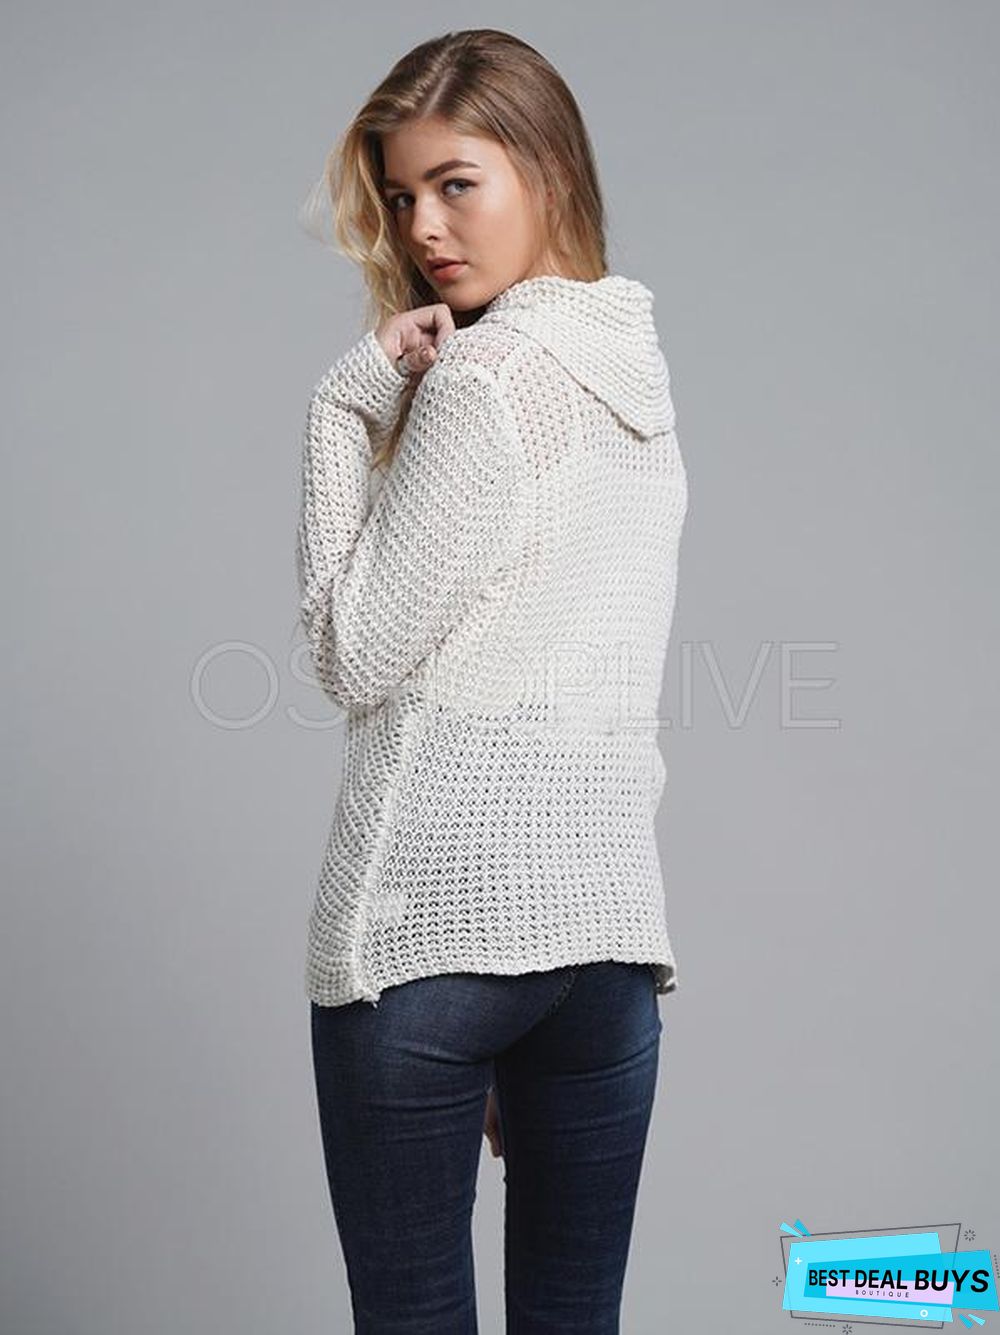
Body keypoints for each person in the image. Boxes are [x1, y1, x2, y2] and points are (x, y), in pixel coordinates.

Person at [295, 27, 689, 1335]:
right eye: (402, 194)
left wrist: (345, 409)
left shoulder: (489, 375)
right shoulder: (639, 381)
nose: (422, 227)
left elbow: (351, 654)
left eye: (456, 183)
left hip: (432, 941)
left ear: (546, 168)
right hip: (604, 948)